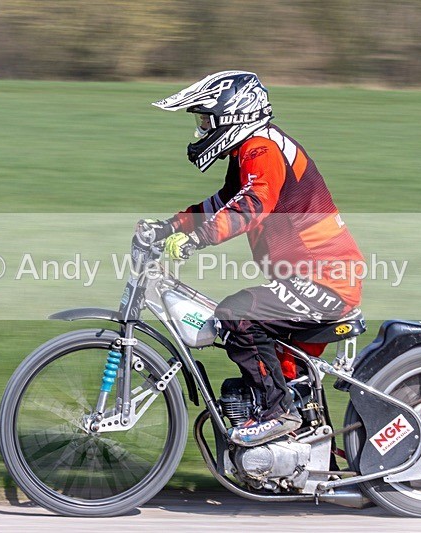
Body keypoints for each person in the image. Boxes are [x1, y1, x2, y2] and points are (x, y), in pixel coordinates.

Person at [145, 71, 364, 446]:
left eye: (205, 120)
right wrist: (167, 227)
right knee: (278, 360)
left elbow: (251, 207)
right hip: (309, 278)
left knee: (237, 315)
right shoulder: (250, 150)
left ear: (232, 116)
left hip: (325, 279)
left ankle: (276, 413)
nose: (201, 131)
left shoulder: (263, 149)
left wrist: (195, 240)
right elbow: (222, 202)